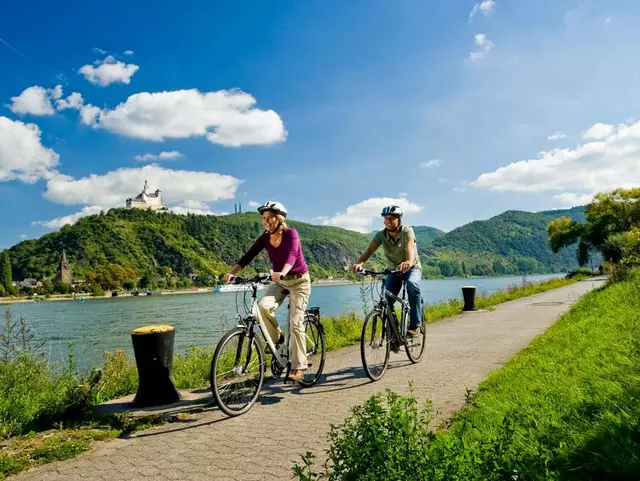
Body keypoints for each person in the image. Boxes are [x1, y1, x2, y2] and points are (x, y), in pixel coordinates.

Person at [224, 201, 311, 383]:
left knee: (295, 324)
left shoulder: (291, 233)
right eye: (264, 218)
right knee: (262, 308)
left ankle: (299, 366)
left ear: (279, 219)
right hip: (280, 282)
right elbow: (248, 256)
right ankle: (277, 337)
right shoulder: (265, 238)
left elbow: (293, 254)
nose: (266, 221)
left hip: (299, 281)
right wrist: (232, 272)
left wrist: (283, 272)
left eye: (270, 217)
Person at [351, 205, 422, 337]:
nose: (388, 221)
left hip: (412, 268)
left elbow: (410, 247)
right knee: (386, 301)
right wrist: (360, 263)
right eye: (386, 218)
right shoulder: (381, 235)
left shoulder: (407, 231)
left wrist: (408, 262)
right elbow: (369, 251)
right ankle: (394, 334)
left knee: (412, 285)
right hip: (394, 271)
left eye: (391, 218)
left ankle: (415, 325)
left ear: (398, 220)